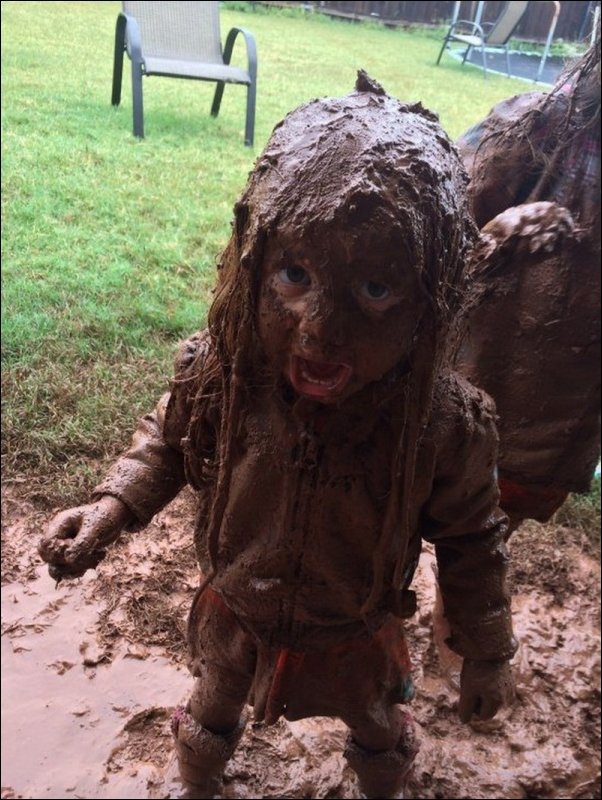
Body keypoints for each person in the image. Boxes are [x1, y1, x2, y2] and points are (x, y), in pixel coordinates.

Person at [39, 73, 517, 800]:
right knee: (211, 708)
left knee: (378, 728)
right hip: (237, 609)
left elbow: (473, 540)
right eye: (295, 274)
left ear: (432, 300)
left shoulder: (441, 424)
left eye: (376, 290)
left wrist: (488, 651)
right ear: (252, 263)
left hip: (357, 629)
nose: (320, 330)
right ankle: (199, 784)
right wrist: (110, 508)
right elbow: (166, 441)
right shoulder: (226, 375)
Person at [454, 34, 601, 537]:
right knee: (428, 491)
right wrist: (495, 237)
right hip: (476, 378)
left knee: (493, 525)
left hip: (560, 417)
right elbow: (442, 216)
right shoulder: (539, 124)